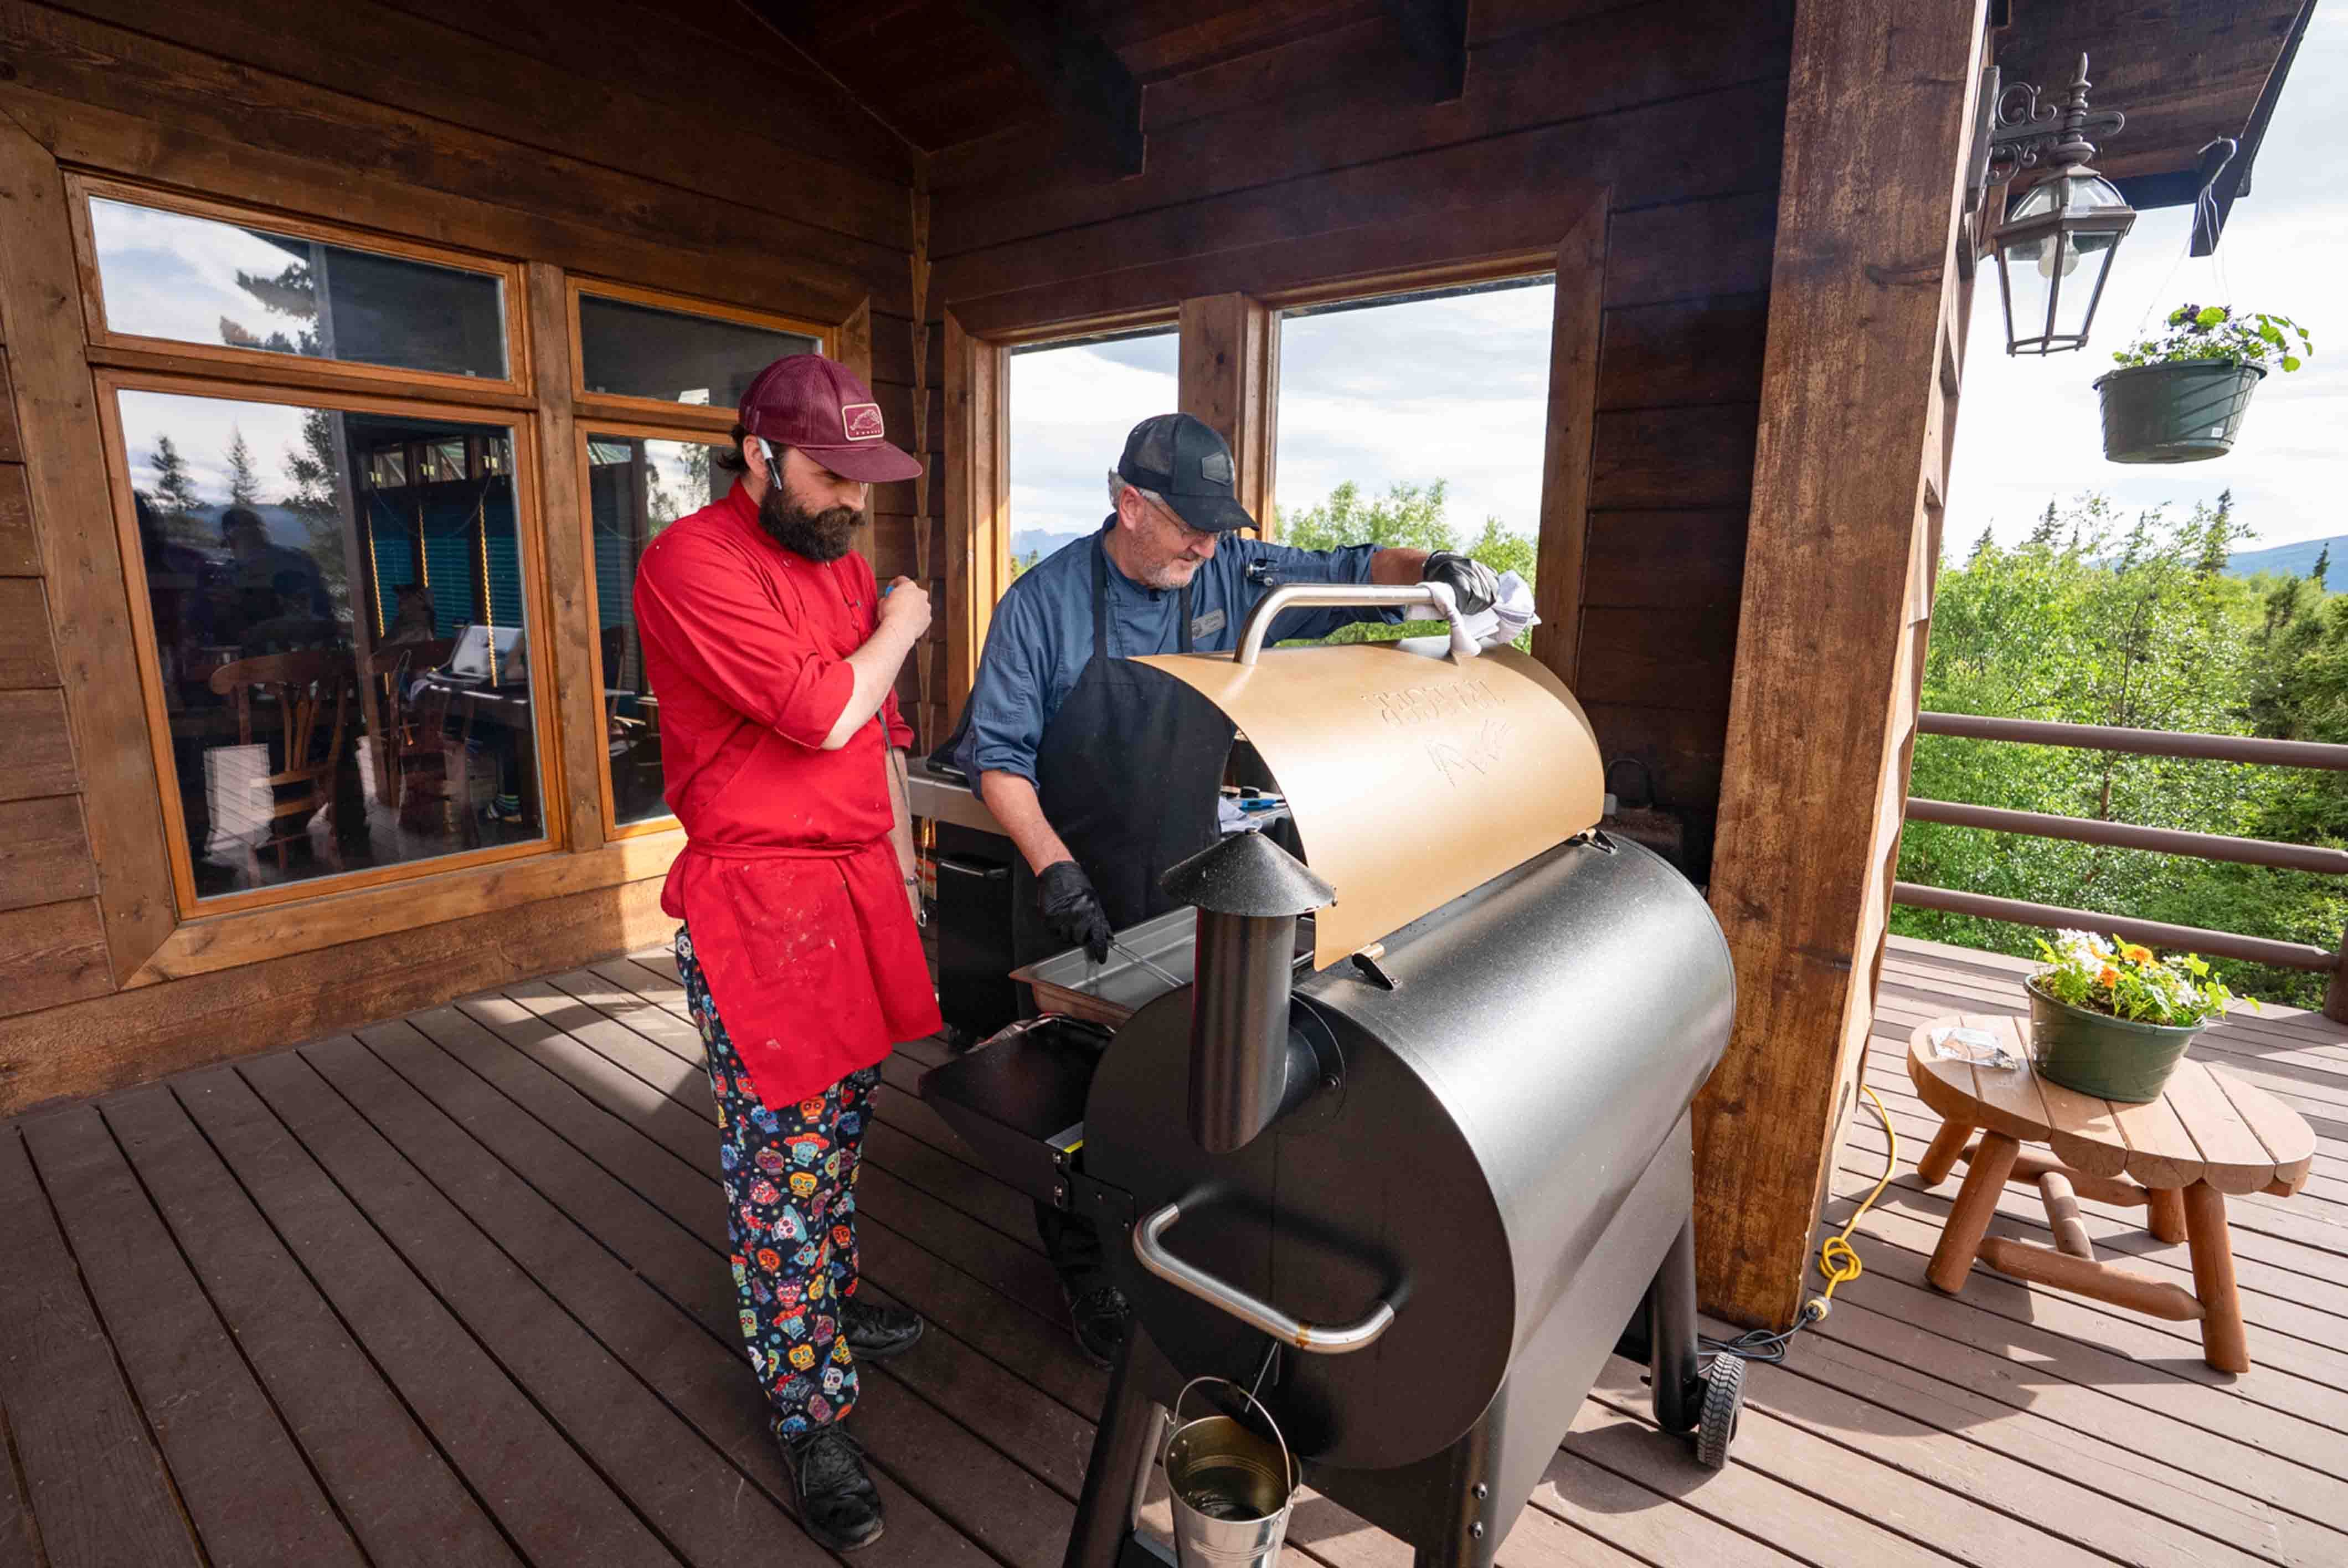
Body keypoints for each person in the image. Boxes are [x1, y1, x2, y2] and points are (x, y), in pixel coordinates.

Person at [954, 411, 1502, 1364]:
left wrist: (1440, 569)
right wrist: (1056, 870)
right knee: (1075, 1097)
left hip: (1181, 876)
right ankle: (1084, 1268)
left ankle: (1174, 1244)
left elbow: (1347, 568)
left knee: (1174, 1075)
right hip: (1070, 883)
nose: (1208, 543)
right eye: (1188, 523)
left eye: (1219, 524)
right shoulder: (1039, 605)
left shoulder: (1224, 573)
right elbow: (997, 759)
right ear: (1129, 504)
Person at [634, 353, 940, 1552]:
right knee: (778, 1162)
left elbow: (875, 738)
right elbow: (821, 712)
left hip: (860, 887)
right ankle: (805, 1403)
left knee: (844, 1126)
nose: (851, 500)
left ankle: (831, 1306)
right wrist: (907, 623)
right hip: (760, 904)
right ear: (756, 454)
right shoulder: (692, 562)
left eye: (862, 478)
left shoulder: (838, 558)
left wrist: (910, 873)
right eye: (829, 474)